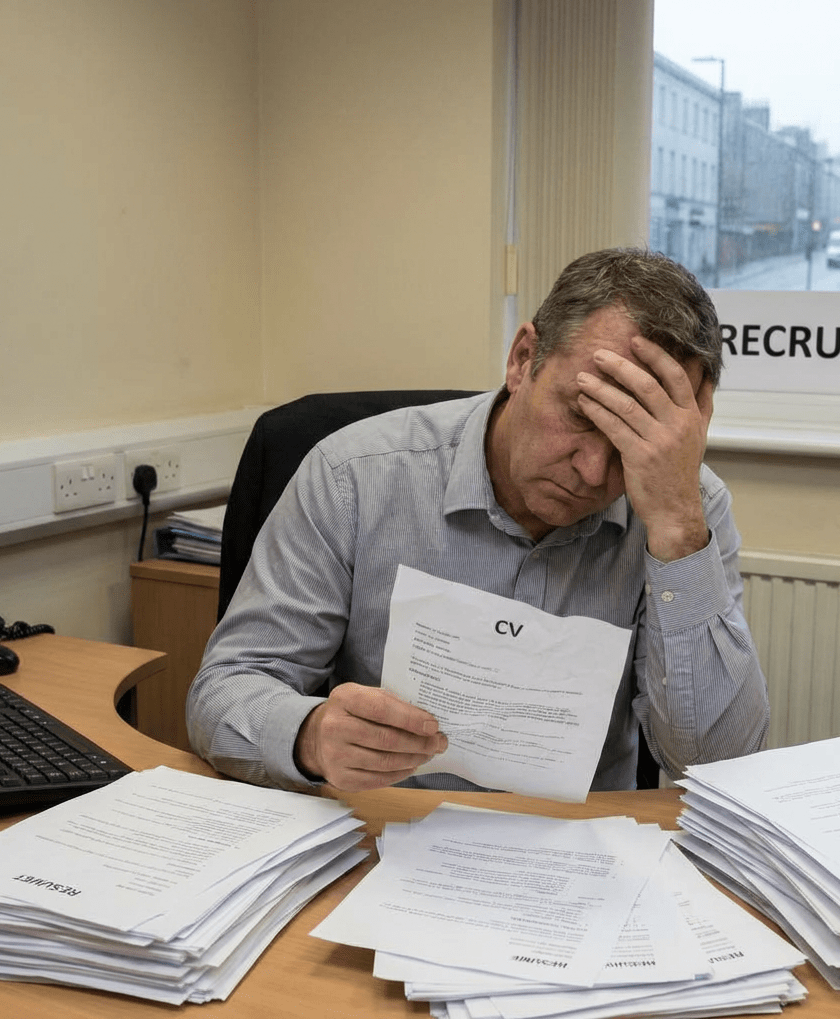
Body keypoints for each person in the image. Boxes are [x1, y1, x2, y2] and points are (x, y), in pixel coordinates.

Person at [187, 248, 769, 794]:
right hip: (383, 839)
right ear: (522, 360)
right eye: (580, 415)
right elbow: (224, 692)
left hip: (574, 861)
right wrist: (309, 735)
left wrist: (676, 529)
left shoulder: (685, 509)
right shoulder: (354, 477)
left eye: (628, 444)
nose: (593, 473)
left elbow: (717, 765)